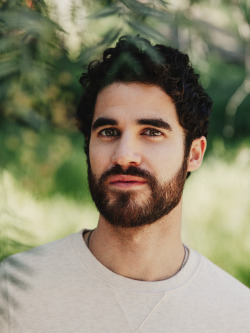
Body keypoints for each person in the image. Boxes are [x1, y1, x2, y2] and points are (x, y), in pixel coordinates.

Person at [0, 35, 249, 333]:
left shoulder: (237, 314)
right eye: (108, 132)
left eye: (152, 132)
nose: (124, 156)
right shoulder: (12, 293)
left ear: (193, 154)